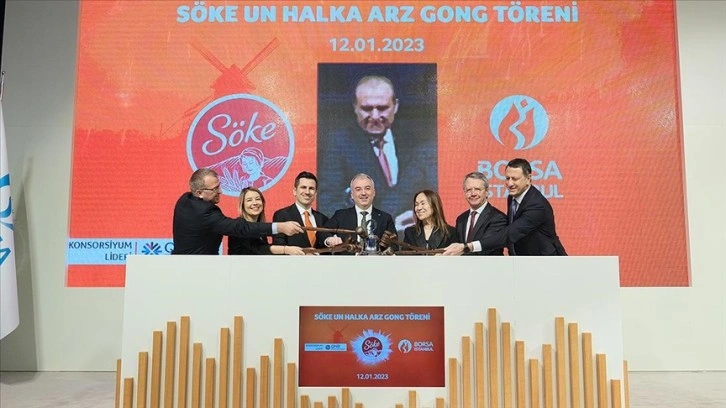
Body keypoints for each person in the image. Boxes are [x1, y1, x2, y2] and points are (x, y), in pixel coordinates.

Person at [317, 74, 436, 231]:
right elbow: (328, 204)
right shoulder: (337, 144)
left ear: (396, 106)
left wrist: (419, 216)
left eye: (382, 108)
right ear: (355, 107)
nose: (374, 116)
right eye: (367, 109)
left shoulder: (416, 140)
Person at [171, 168, 303, 255]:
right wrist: (280, 227)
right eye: (215, 189)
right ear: (199, 193)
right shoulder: (205, 212)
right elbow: (239, 228)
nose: (220, 191)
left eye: (219, 186)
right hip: (198, 270)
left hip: (181, 265)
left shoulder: (184, 200)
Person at [485, 158, 567, 256]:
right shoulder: (512, 197)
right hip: (524, 259)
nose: (510, 184)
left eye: (515, 179)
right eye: (507, 178)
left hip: (546, 260)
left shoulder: (537, 205)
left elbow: (512, 233)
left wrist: (473, 246)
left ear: (528, 178)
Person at [321, 173, 396, 254]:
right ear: (352, 195)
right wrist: (329, 240)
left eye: (367, 188)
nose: (363, 193)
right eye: (358, 189)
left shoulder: (385, 218)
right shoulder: (341, 215)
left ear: (374, 192)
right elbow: (322, 233)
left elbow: (394, 246)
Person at [443, 172, 507, 256]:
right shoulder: (461, 219)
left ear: (487, 192)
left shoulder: (498, 218)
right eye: (469, 190)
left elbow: (487, 248)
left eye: (477, 189)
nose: (473, 194)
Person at [228, 188, 305, 255]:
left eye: (258, 199)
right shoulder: (239, 226)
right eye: (249, 200)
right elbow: (260, 248)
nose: (255, 203)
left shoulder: (261, 228)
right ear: (242, 205)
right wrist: (286, 249)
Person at [272, 171, 329, 248]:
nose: (307, 192)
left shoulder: (323, 219)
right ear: (295, 191)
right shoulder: (282, 215)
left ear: (316, 193)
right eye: (303, 187)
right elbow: (279, 246)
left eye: (311, 188)